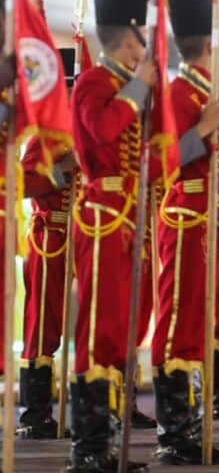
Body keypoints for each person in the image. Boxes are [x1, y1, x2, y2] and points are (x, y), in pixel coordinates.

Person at [148, 0, 219, 465]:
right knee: (180, 319)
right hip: (186, 216)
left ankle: (194, 428)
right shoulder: (178, 93)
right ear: (208, 44)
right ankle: (174, 434)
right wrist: (202, 130)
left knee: (206, 324)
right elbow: (162, 161)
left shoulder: (210, 92)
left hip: (215, 219)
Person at [68, 0, 156, 472]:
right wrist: (139, 86)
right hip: (103, 217)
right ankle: (89, 448)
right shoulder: (95, 84)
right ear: (128, 40)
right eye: (139, 39)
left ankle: (107, 440)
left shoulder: (124, 84)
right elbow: (102, 135)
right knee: (99, 330)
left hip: (131, 219)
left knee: (122, 329)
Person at [18, 49, 78, 440]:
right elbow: (27, 181)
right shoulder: (46, 134)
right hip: (51, 235)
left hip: (83, 234)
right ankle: (34, 412)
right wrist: (65, 168)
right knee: (43, 324)